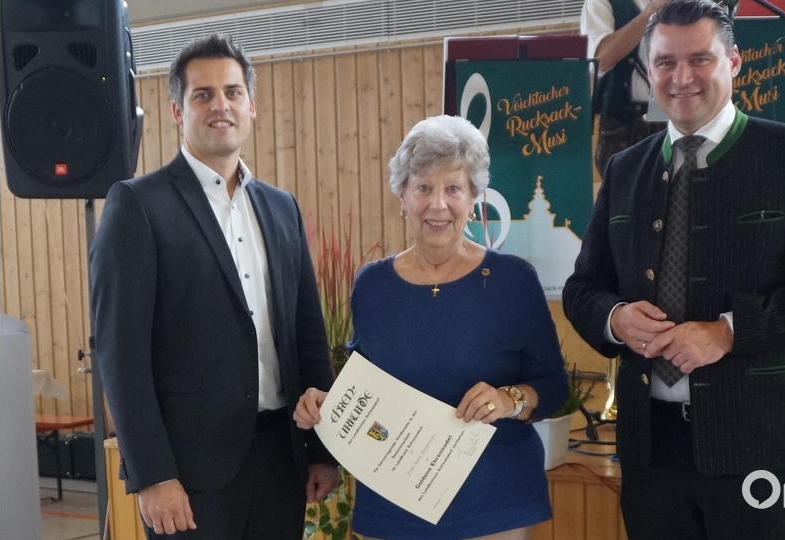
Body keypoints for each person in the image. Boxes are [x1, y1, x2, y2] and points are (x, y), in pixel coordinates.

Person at [563, 2, 785, 539]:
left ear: (734, 62)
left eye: (699, 59)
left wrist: (729, 331)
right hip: (649, 452)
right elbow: (584, 288)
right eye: (665, 63)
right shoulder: (624, 168)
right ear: (649, 69)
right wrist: (615, 319)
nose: (681, 78)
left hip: (758, 448)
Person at [90, 34, 338, 538]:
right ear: (177, 111)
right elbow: (120, 354)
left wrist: (322, 451)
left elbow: (307, 335)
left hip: (281, 459)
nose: (220, 105)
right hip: (188, 476)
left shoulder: (281, 207)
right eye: (202, 95)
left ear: (251, 106)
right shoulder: (138, 206)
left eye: (232, 92)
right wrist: (153, 475)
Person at [293, 115, 568, 540]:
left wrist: (508, 399)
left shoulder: (513, 281)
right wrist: (324, 406)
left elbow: (553, 387)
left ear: (474, 197)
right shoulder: (372, 285)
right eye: (423, 188)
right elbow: (366, 390)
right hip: (394, 503)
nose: (438, 205)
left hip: (494, 502)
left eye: (453, 188)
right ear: (403, 196)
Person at [582, 0, 670, 177]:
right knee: (623, 190)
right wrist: (651, 11)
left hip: (677, 116)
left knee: (681, 191)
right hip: (623, 123)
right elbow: (601, 59)